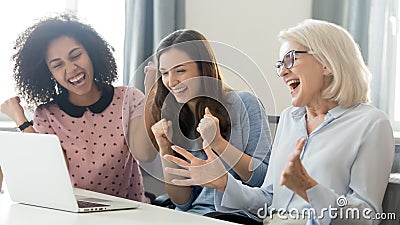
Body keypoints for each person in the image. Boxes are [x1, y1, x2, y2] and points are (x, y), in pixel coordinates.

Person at [163, 19, 395, 225]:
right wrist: (223, 182)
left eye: (290, 59)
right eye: (279, 65)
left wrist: (309, 189)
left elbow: (367, 216)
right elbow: (268, 200)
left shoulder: (371, 124)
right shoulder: (289, 120)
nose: (282, 72)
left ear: (326, 63)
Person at [0, 13, 155, 202]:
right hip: (73, 212)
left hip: (128, 210)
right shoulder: (47, 115)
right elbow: (53, 173)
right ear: (49, 74)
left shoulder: (129, 98)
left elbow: (145, 154)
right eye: (58, 65)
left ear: (91, 53)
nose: (71, 68)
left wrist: (151, 96)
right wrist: (20, 120)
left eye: (76, 55)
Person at [144, 29, 272, 219]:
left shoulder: (244, 103)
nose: (171, 81)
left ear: (203, 68)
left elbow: (262, 179)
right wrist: (165, 149)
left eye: (180, 70)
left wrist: (219, 143)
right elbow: (183, 202)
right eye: (165, 73)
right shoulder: (178, 118)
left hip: (236, 214)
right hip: (194, 216)